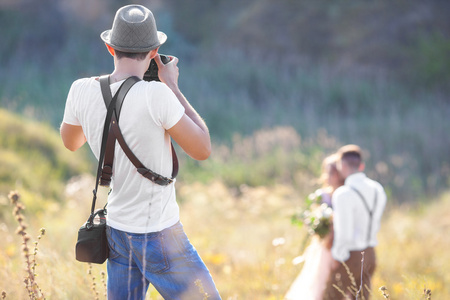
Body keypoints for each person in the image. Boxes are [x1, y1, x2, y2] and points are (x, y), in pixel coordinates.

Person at [60, 5, 221, 299]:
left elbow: (71, 142)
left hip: (117, 232)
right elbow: (202, 149)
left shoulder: (81, 89)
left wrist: (101, 109)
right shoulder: (157, 94)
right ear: (155, 51)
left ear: (110, 48)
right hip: (158, 234)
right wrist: (171, 85)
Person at [323, 145, 387, 300]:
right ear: (361, 165)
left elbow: (344, 233)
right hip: (371, 253)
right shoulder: (377, 188)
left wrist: (336, 257)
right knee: (362, 298)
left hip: (350, 256)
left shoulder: (343, 194)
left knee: (331, 297)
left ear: (342, 166)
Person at [285, 154, 344, 300]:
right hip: (324, 246)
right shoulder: (322, 195)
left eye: (334, 172)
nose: (330, 176)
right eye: (328, 172)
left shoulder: (345, 194)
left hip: (342, 244)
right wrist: (320, 226)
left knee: (340, 283)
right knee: (318, 281)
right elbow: (313, 219)